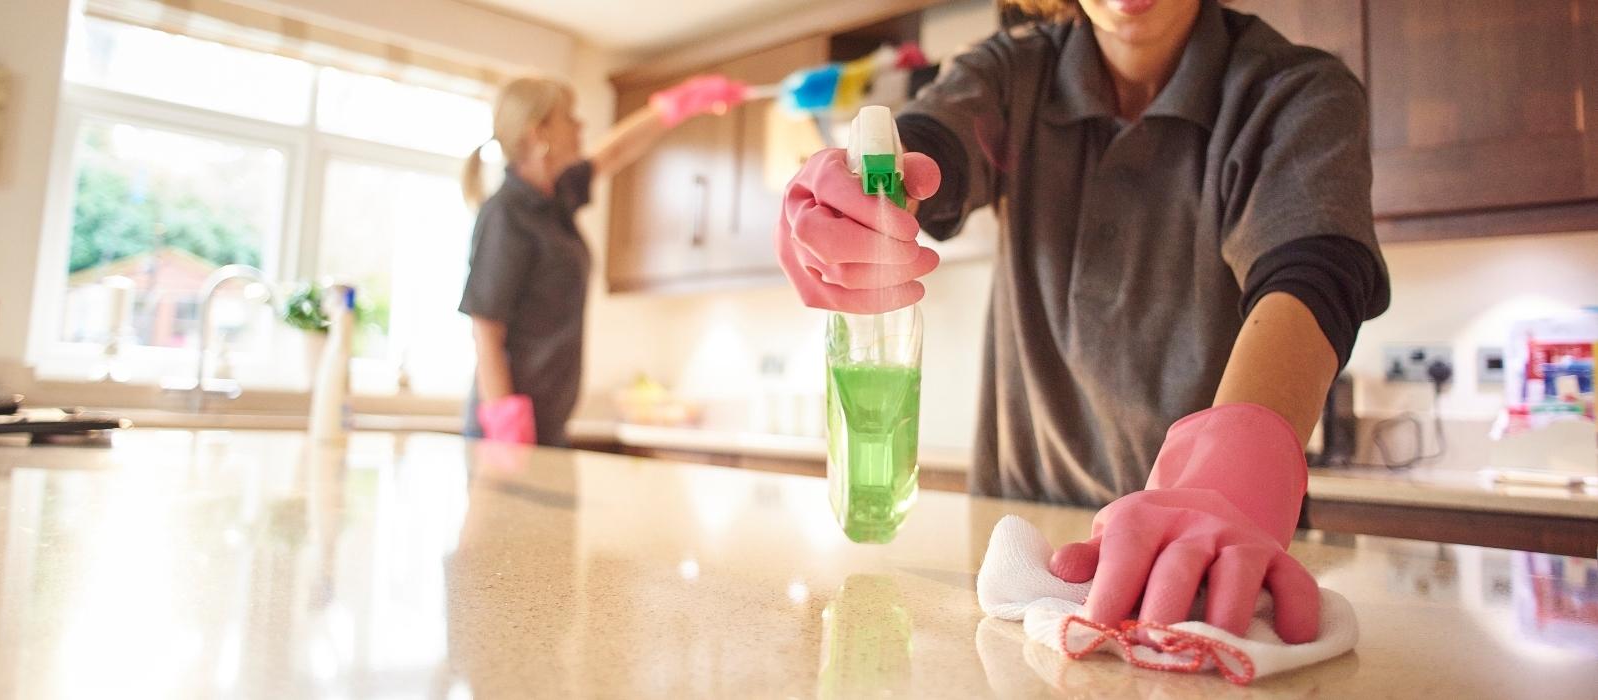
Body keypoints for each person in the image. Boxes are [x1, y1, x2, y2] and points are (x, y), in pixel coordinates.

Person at [773, 0, 1390, 644]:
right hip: (1028, 540)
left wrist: (1226, 477)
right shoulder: (1014, 71)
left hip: (1217, 541)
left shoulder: (1293, 92)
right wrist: (859, 188)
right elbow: (931, 143)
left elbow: (1315, 275)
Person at [461, 75, 746, 446]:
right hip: (506, 433)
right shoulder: (506, 214)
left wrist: (674, 107)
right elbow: (486, 332)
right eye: (569, 117)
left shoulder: (555, 200)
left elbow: (613, 152)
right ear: (538, 132)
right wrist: (506, 426)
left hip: (547, 425)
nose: (581, 125)